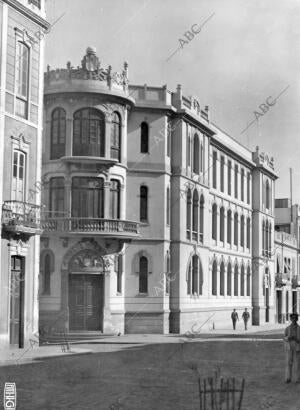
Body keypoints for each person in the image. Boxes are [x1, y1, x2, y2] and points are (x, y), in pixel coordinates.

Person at [283, 313, 300, 383]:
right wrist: (288, 338)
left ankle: (297, 379)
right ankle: (288, 378)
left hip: (297, 346)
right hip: (289, 347)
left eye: (295, 318)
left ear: (297, 319)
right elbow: (284, 337)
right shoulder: (287, 328)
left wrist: (296, 339)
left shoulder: (299, 329)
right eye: (292, 318)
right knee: (288, 363)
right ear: (290, 319)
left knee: (298, 363)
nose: (294, 320)